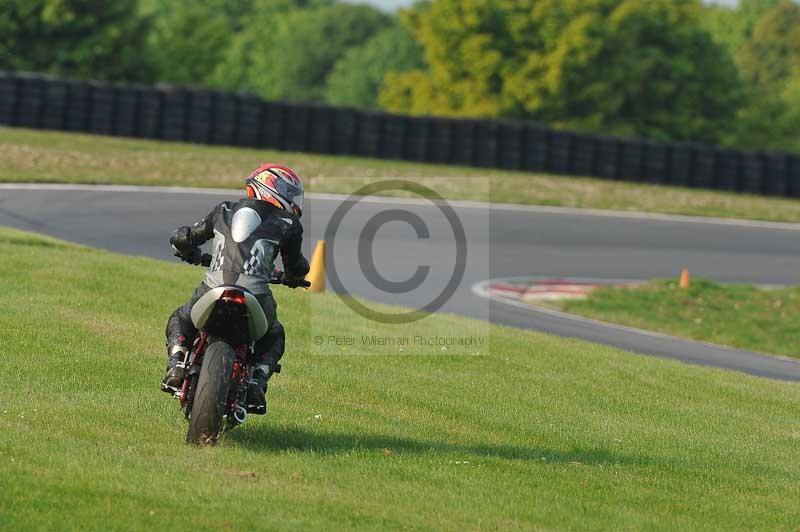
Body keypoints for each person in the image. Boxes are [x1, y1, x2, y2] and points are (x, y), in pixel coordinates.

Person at [162, 163, 309, 415]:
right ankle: (257, 381)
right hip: (256, 295)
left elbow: (186, 237)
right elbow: (297, 267)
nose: (293, 200)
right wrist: (293, 278)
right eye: (288, 191)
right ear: (271, 187)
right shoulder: (288, 224)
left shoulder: (224, 210)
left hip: (213, 288)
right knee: (274, 333)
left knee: (181, 317)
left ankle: (176, 362)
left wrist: (187, 250)